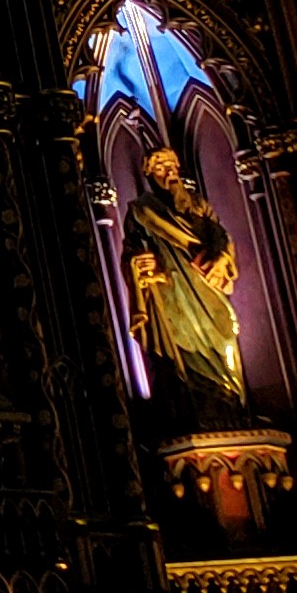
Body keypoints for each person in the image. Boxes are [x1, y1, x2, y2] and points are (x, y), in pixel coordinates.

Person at [122, 142, 245, 408]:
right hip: (171, 290)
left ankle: (231, 400)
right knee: (181, 346)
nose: (169, 172)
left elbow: (222, 237)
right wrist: (140, 263)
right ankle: (192, 400)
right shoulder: (142, 210)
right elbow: (132, 250)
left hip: (206, 285)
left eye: (172, 166)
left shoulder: (199, 204)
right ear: (149, 174)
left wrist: (221, 257)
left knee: (224, 335)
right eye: (160, 168)